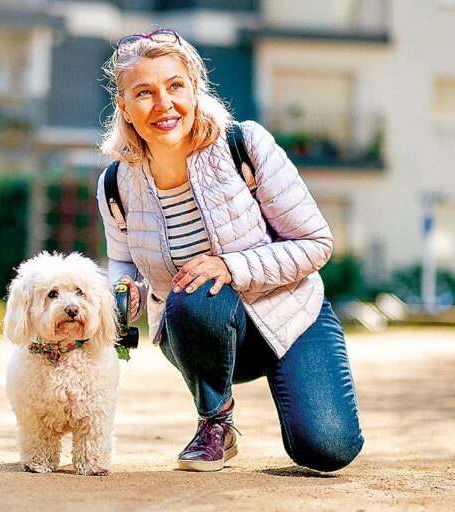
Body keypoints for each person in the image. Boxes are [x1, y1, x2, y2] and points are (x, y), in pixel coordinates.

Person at [96, 28, 364, 473]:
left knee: (328, 450)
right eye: (144, 92)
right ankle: (215, 422)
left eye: (175, 86)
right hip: (200, 326)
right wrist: (122, 294)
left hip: (291, 316)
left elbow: (317, 243)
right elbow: (123, 259)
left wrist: (230, 266)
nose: (163, 104)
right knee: (193, 293)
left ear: (196, 89)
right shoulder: (116, 181)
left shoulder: (245, 144)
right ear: (124, 107)